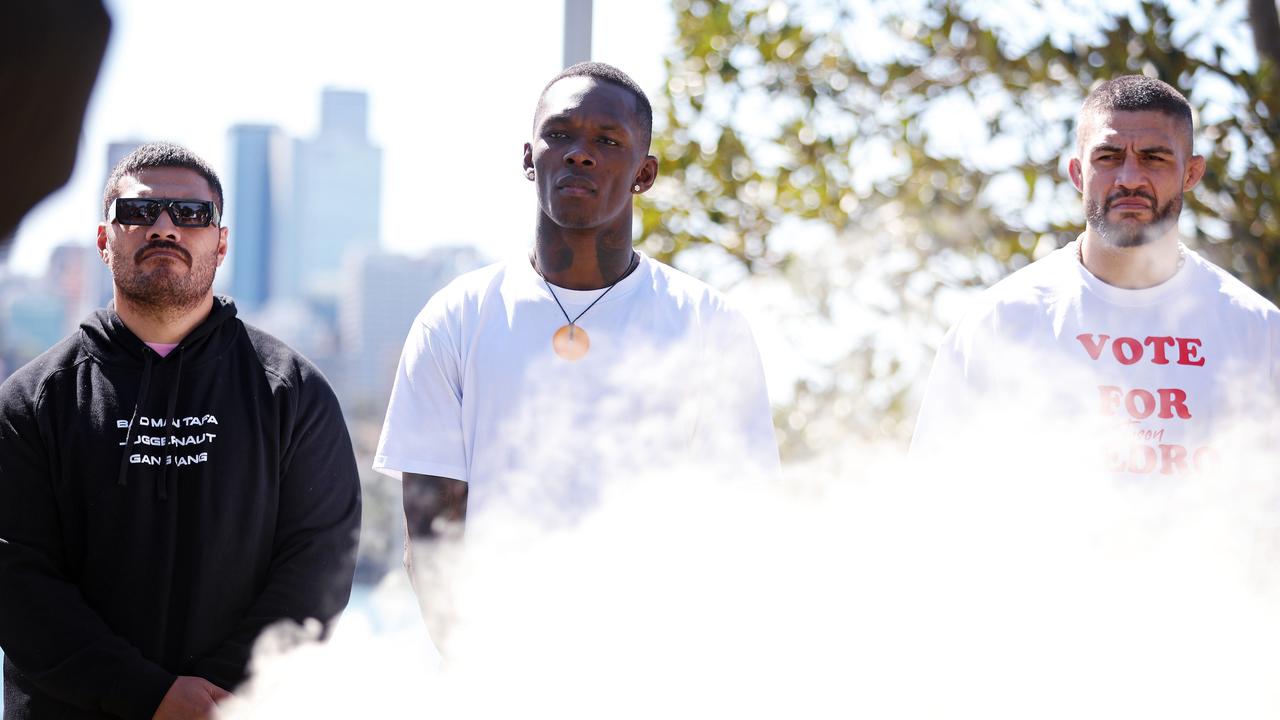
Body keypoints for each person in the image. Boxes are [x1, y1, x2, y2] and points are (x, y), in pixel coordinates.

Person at [374, 62, 779, 640]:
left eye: (607, 141)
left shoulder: (707, 324)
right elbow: (435, 539)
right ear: (527, 157)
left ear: (644, 173)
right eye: (560, 134)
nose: (579, 154)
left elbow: (740, 527)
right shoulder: (454, 320)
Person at [0, 143, 362, 719]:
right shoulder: (32, 399)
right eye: (140, 213)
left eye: (191, 214)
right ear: (104, 239)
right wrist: (149, 696)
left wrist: (214, 698)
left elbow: (319, 565)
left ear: (220, 243)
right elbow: (17, 583)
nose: (164, 227)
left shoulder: (292, 393)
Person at [910, 75, 1280, 475]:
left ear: (1190, 173)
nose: (1129, 178)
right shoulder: (1003, 321)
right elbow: (934, 499)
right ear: (1077, 172)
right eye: (1108, 157)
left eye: (1154, 158)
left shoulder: (1258, 332)